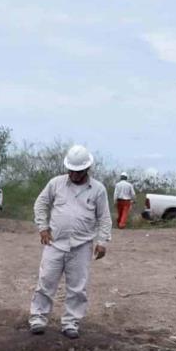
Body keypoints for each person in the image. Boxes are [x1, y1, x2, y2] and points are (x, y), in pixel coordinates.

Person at [29, 144, 111, 339]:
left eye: (78, 171)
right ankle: (38, 318)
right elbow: (41, 204)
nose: (73, 174)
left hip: (82, 246)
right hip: (55, 243)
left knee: (77, 287)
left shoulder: (98, 190)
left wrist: (102, 241)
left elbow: (104, 217)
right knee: (46, 281)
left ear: (87, 169)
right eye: (71, 170)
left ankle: (71, 322)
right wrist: (43, 227)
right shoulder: (56, 183)